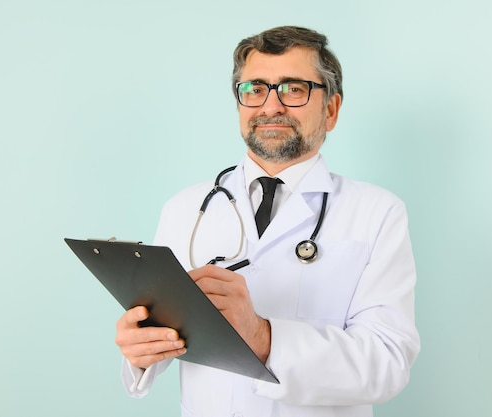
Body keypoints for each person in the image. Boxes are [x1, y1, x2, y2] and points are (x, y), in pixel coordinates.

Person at [115, 25, 420, 417]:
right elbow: (163, 332)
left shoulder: (378, 213)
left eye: (294, 89)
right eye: (254, 89)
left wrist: (264, 337)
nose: (270, 107)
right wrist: (141, 349)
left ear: (331, 109)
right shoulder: (185, 208)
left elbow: (388, 363)